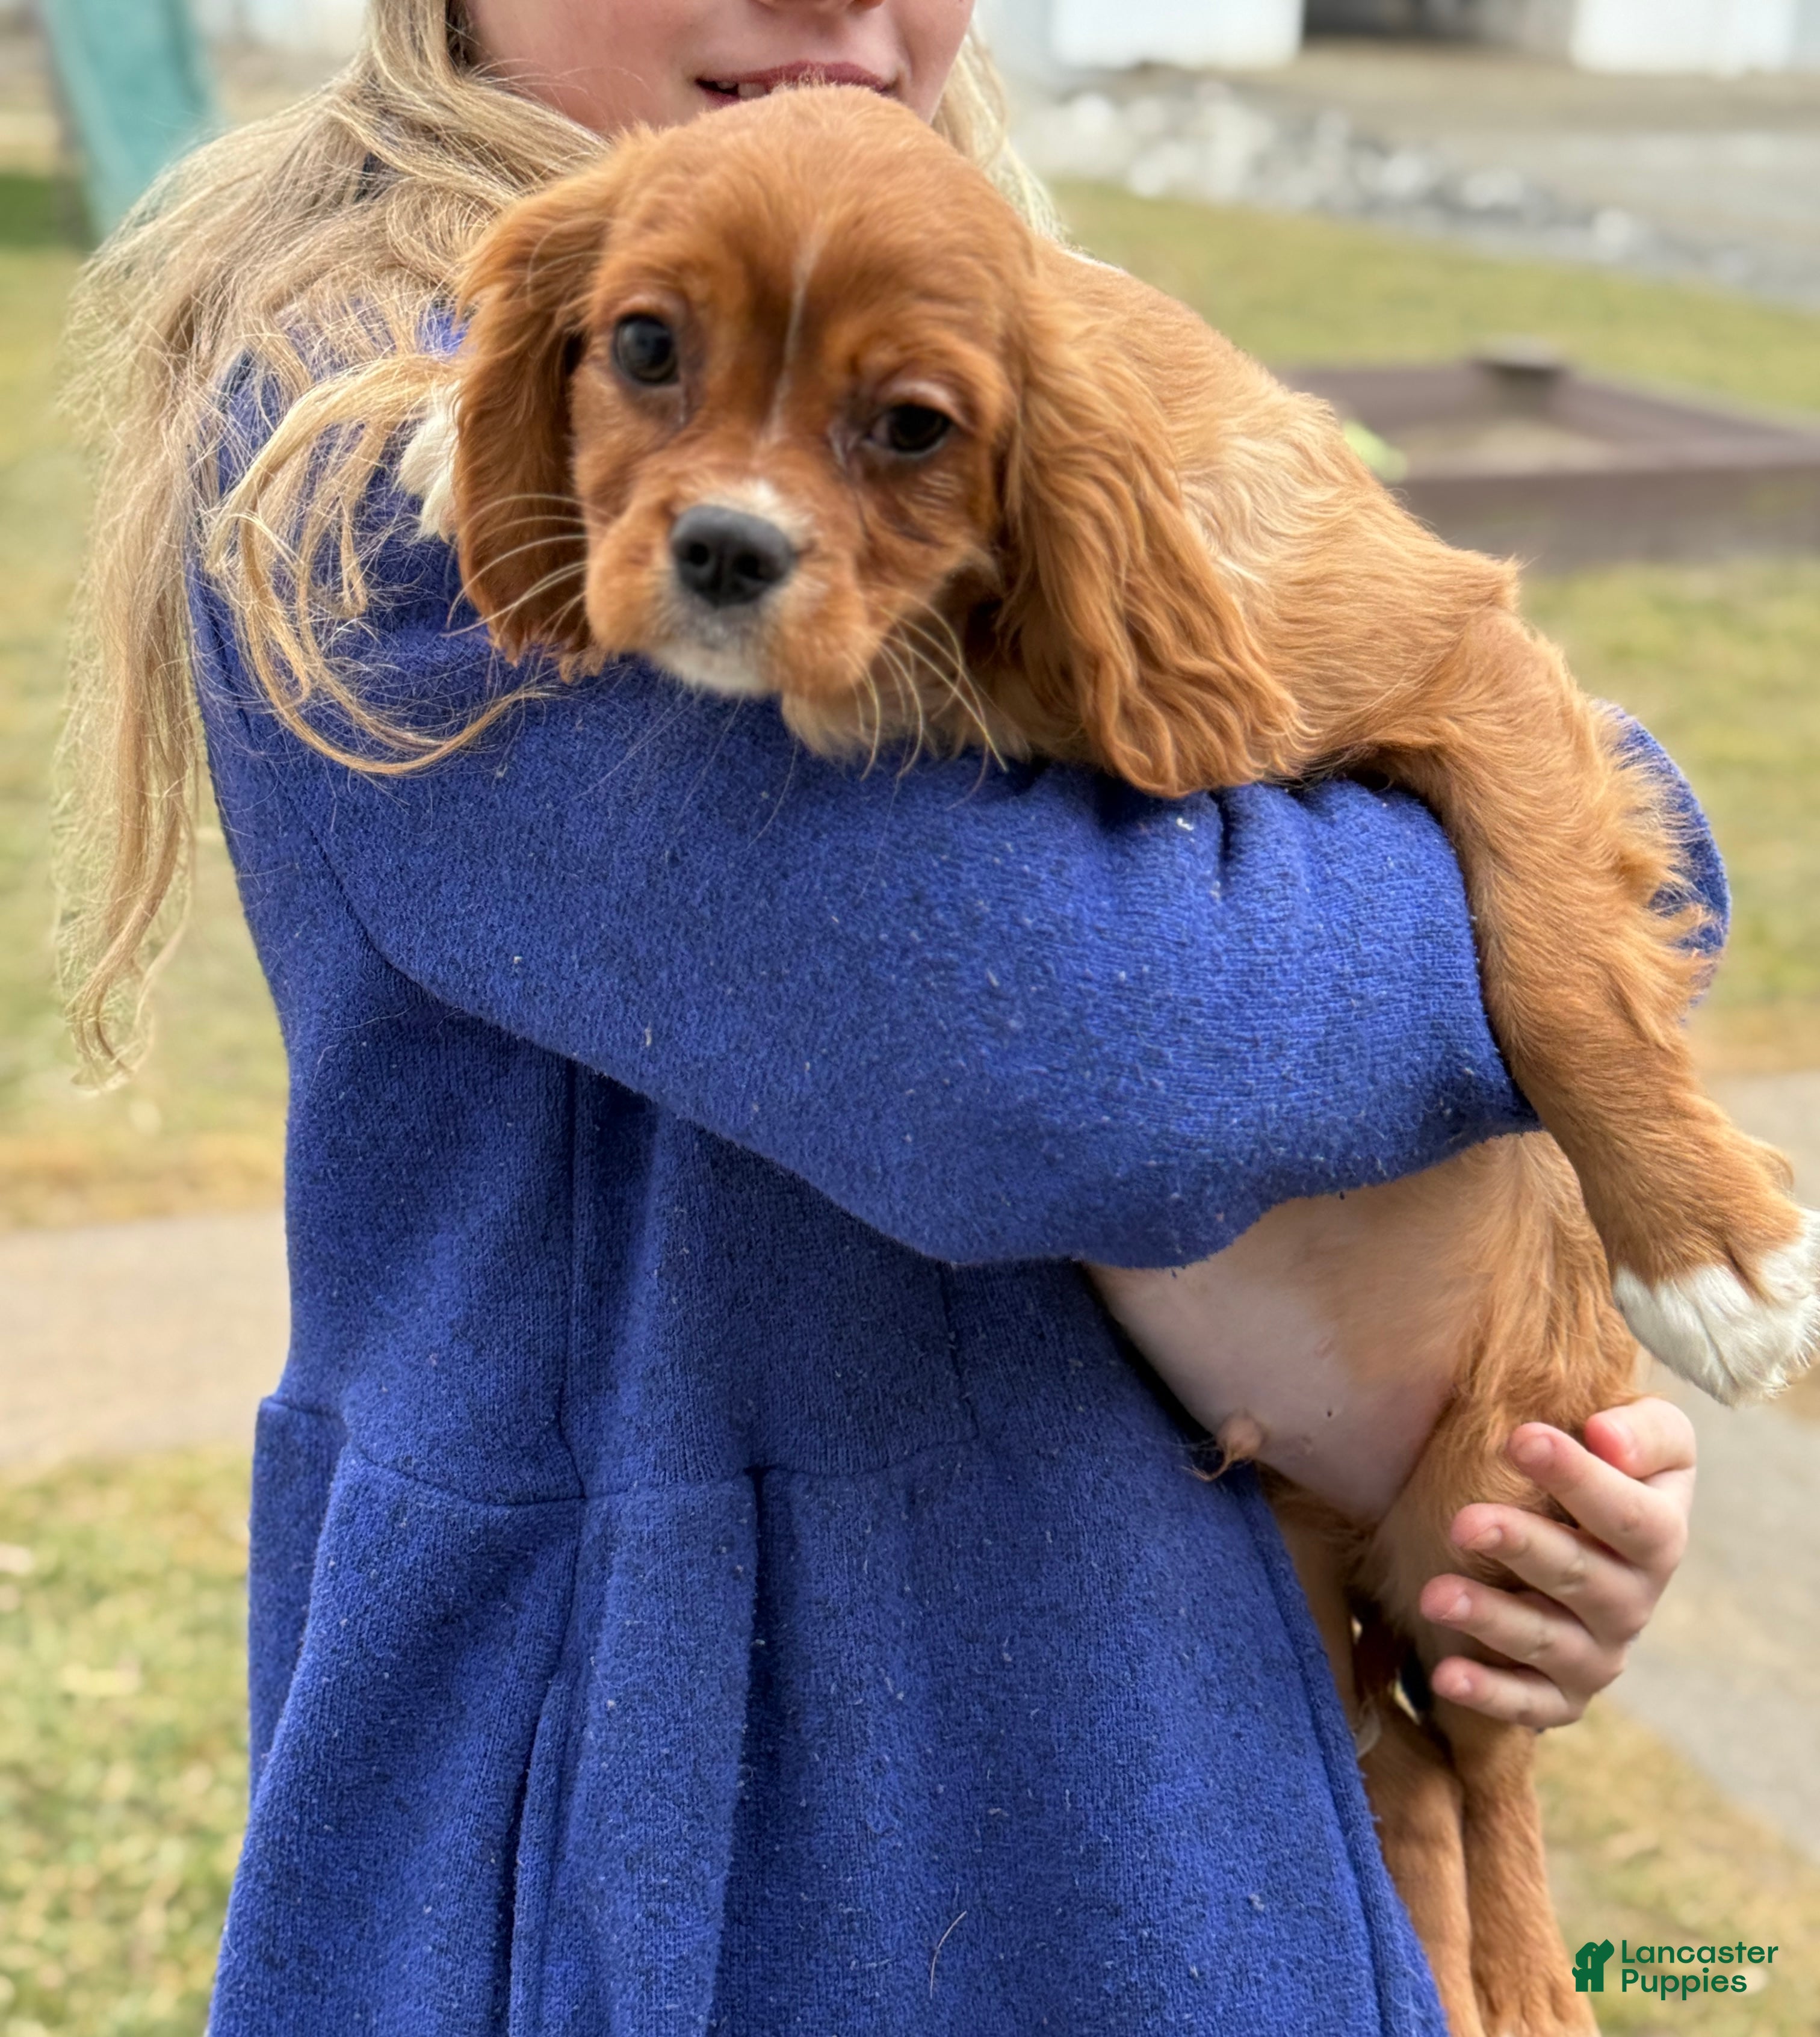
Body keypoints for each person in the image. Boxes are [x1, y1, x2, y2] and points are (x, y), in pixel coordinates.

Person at [59, 4, 1700, 2030]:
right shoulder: (395, 431)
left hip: (1156, 1766)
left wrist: (1483, 1498)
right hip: (703, 1853)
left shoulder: (999, 352)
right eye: (659, 356)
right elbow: (1097, 1054)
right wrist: (1552, 900)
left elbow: (1521, 754)